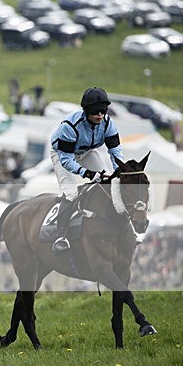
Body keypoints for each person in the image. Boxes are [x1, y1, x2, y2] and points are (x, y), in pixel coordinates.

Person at [49, 86, 124, 252]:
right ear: (86, 110)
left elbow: (115, 151)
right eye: (96, 111)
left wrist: (121, 170)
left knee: (107, 183)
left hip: (87, 152)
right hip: (63, 154)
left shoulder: (107, 123)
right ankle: (60, 236)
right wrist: (88, 174)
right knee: (70, 192)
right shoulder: (70, 126)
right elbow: (67, 160)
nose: (100, 115)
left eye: (103, 111)